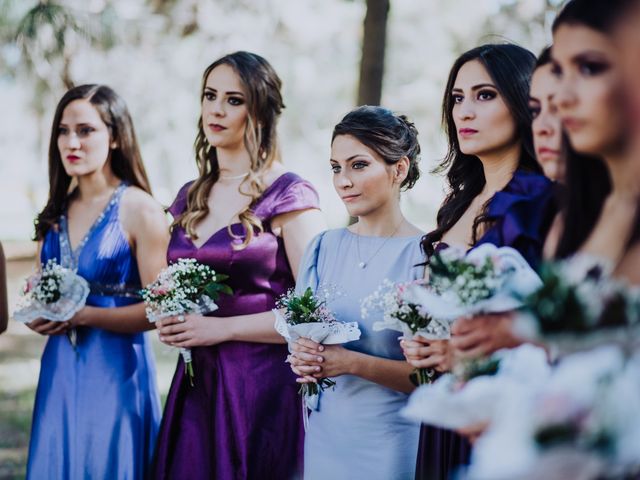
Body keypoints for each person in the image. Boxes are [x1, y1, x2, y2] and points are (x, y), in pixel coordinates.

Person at [151, 51, 324, 480]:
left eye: (233, 100)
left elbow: (315, 311)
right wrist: (170, 316)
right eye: (210, 96)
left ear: (260, 110)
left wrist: (221, 329)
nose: (216, 108)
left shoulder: (289, 194)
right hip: (196, 384)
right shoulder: (190, 195)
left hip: (258, 387)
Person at [401, 44, 556, 480]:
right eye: (457, 98)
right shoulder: (456, 205)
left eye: (484, 95)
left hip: (508, 409)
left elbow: (554, 321)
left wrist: (466, 355)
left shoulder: (539, 201)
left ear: (524, 101)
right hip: (448, 405)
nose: (464, 111)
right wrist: (424, 342)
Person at [26, 84, 167, 479]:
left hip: (115, 372)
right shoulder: (53, 214)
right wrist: (38, 314)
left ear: (116, 136)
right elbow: (42, 290)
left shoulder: (140, 210)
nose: (72, 141)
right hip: (58, 370)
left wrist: (85, 315)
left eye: (86, 130)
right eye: (63, 130)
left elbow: (160, 310)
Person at [288, 105, 423, 479]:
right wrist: (303, 357)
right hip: (326, 437)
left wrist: (351, 363)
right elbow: (300, 336)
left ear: (399, 169)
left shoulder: (426, 255)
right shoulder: (321, 248)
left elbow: (433, 376)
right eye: (336, 167)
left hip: (391, 443)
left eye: (358, 165)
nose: (343, 181)